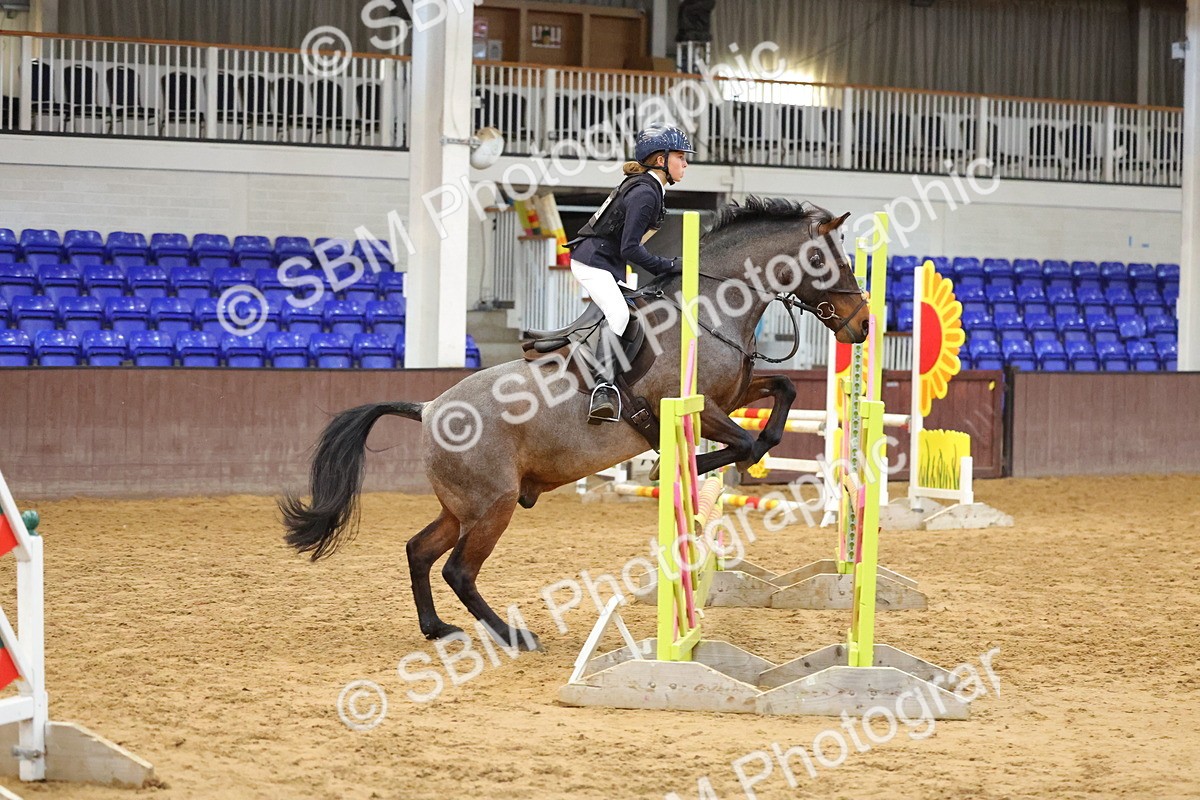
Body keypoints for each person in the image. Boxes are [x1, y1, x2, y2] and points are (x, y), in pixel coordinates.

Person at [567, 124, 693, 423]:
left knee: (642, 311)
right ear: (660, 160)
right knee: (620, 316)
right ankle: (603, 388)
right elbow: (630, 250)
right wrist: (670, 265)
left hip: (607, 263)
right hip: (593, 262)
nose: (686, 163)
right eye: (679, 156)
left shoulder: (649, 188)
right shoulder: (645, 194)